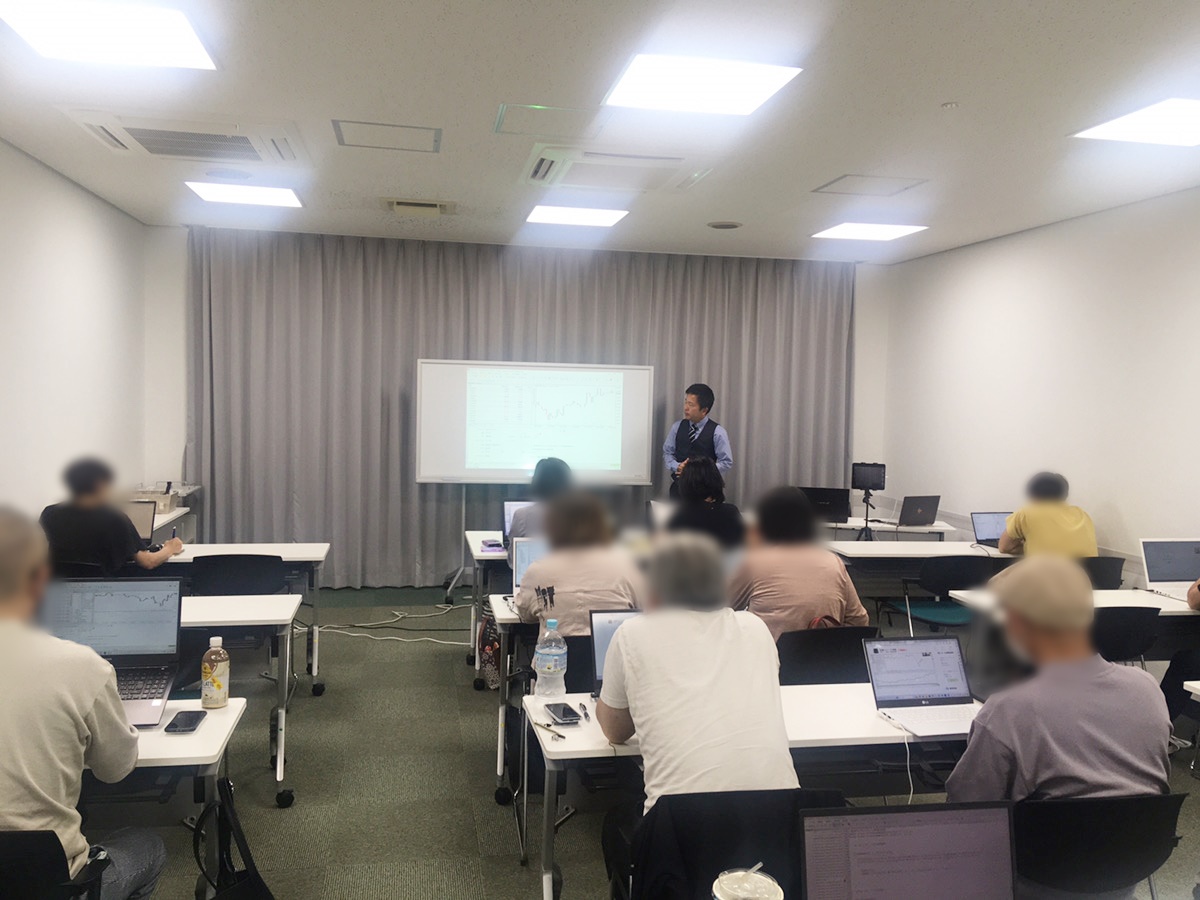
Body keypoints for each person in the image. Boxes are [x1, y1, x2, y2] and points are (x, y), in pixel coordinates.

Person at [597, 533, 798, 880]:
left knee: (615, 822)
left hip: (680, 835)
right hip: (781, 828)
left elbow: (615, 731)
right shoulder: (756, 627)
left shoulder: (632, 633)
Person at [0, 506, 166, 899]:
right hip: (51, 883)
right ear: (42, 578)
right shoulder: (81, 666)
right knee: (147, 846)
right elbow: (115, 770)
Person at [946, 556, 1170, 807]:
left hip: (1041, 834)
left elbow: (967, 804)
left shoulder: (1009, 707)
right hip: (1147, 832)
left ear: (1016, 622)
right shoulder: (1147, 688)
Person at [730, 486, 868, 640]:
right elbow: (859, 619)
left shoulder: (755, 562)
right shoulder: (834, 562)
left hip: (769, 653)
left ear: (764, 522)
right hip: (825, 653)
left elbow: (718, 609)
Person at [514, 491, 642, 636]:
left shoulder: (538, 571)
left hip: (555, 649)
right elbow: (644, 610)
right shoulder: (626, 566)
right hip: (609, 650)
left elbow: (525, 615)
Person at [40, 458, 184, 577]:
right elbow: (148, 562)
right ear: (100, 485)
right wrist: (169, 549)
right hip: (104, 592)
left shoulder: (49, 514)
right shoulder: (114, 519)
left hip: (59, 590)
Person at [999, 472, 1097, 558]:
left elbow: (1004, 547)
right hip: (1086, 573)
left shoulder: (1027, 512)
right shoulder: (1082, 514)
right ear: (1065, 494)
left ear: (1032, 493)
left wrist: (1027, 546)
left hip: (1047, 572)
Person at [662, 383, 732, 497]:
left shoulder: (718, 432)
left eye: (691, 404)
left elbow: (726, 462)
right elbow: (668, 453)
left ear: (704, 410)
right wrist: (677, 466)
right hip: (679, 489)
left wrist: (699, 471)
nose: (686, 408)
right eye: (686, 402)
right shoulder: (677, 427)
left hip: (706, 492)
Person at [665, 456, 745, 548]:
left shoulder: (680, 517)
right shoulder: (730, 513)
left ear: (685, 483)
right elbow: (745, 546)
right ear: (716, 478)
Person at [506, 457, 571, 567]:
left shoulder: (522, 516)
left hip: (533, 577)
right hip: (572, 577)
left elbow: (514, 561)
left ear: (537, 483)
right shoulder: (582, 516)